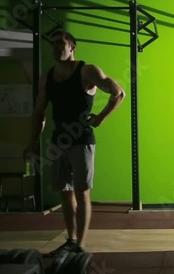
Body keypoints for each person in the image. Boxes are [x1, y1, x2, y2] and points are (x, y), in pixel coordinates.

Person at [23, 30, 126, 255]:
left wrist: (101, 117)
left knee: (82, 192)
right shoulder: (47, 77)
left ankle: (80, 246)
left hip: (82, 141)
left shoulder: (87, 70)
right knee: (64, 192)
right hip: (58, 141)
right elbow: (39, 112)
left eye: (61, 43)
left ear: (72, 47)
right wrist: (31, 143)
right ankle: (71, 240)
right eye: (53, 44)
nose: (56, 48)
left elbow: (118, 93)